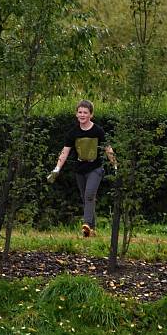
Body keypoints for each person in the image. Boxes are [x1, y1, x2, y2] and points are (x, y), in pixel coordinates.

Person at [48, 99, 116, 237]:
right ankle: (93, 230)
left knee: (89, 195)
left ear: (91, 114)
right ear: (76, 114)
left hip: (95, 168)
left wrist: (115, 165)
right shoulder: (73, 133)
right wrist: (57, 168)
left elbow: (108, 149)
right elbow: (65, 152)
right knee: (86, 199)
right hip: (80, 169)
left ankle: (86, 225)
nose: (82, 115)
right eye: (80, 112)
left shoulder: (98, 131)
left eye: (85, 112)